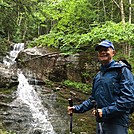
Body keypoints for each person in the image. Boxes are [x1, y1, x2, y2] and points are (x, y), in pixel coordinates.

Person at [68, 40, 134, 134]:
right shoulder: (98, 76)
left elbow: (128, 99)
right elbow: (93, 100)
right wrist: (76, 109)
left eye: (106, 49)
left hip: (117, 123)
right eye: (100, 50)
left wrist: (105, 111)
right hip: (100, 122)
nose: (103, 52)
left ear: (113, 52)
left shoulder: (122, 71)